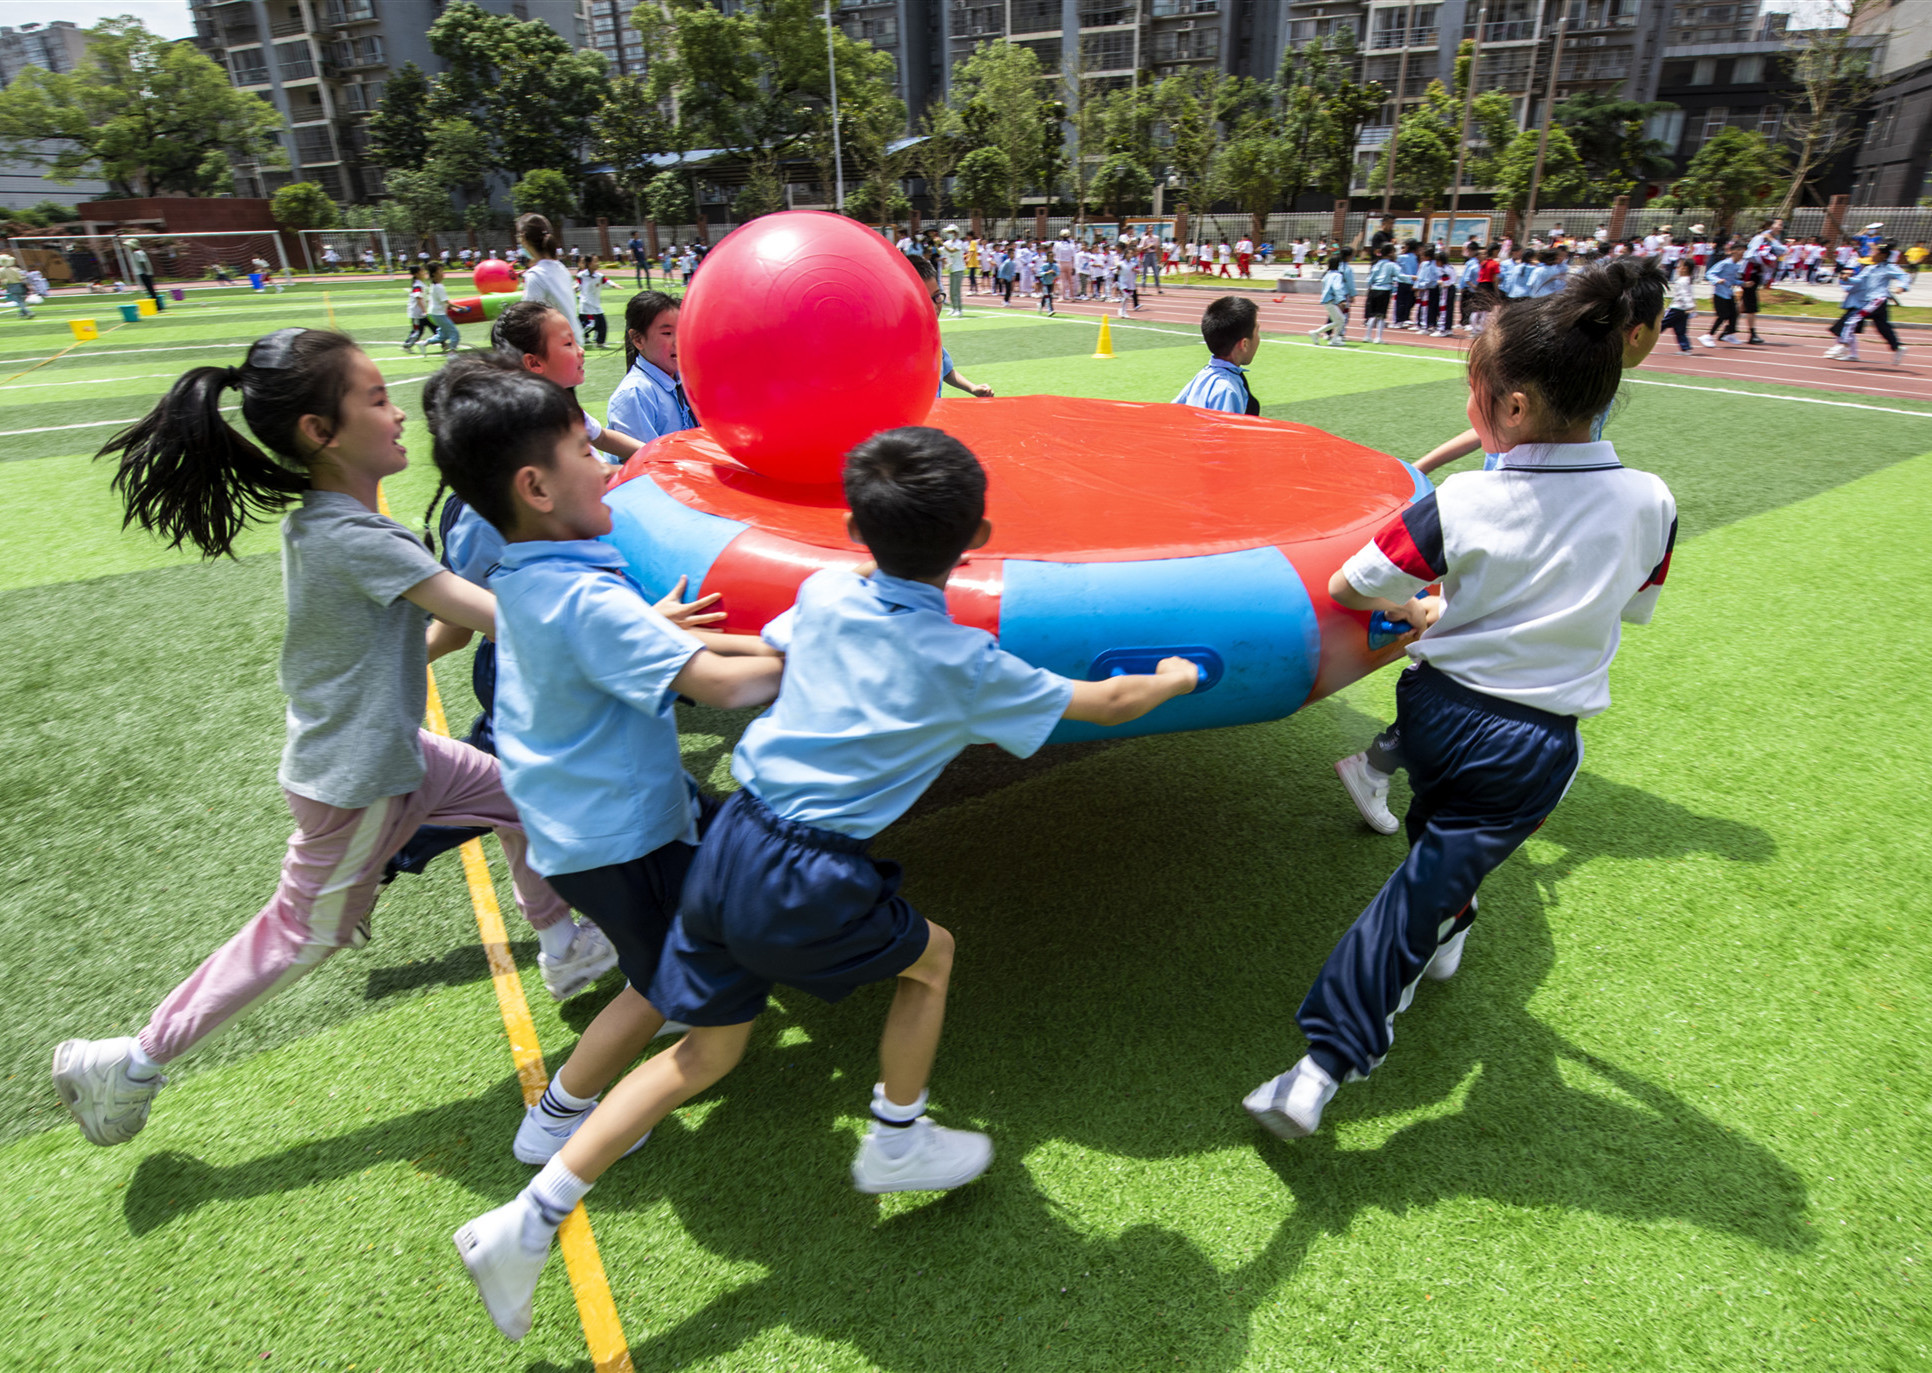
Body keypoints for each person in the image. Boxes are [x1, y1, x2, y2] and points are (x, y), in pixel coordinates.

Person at [452, 425, 1198, 1341]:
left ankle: (524, 1220)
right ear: (979, 537)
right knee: (933, 959)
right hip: (806, 866)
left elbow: (775, 659)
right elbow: (1107, 702)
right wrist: (1174, 674)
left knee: (703, 1053)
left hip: (731, 837)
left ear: (853, 526)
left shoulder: (828, 588)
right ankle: (896, 1136)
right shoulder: (963, 662)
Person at [51, 328, 614, 1151]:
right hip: (360, 782)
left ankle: (564, 943)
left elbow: (394, 642)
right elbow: (501, 618)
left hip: (394, 754)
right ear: (321, 432)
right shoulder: (355, 538)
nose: (397, 414)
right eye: (378, 399)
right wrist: (638, 629)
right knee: (302, 934)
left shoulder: (330, 523)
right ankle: (131, 1061)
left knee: (525, 794)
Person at [1247, 263, 1677, 1141]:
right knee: (1430, 870)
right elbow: (1630, 604)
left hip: (1437, 715)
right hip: (1530, 742)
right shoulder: (1652, 502)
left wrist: (1425, 605)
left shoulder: (1465, 498)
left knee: (1431, 870)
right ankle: (1345, 1039)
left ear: (1512, 408)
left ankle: (1334, 1050)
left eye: (1474, 389)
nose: (1471, 404)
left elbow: (1354, 581)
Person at [418, 359, 782, 1173]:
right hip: (618, 842)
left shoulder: (534, 576)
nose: (610, 467)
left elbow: (663, 643)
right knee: (662, 983)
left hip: (592, 831)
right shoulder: (586, 601)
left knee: (702, 924)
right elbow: (720, 683)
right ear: (536, 488)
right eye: (586, 452)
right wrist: (832, 646)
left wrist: (747, 638)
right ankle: (557, 1116)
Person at [1335, 258, 1668, 834]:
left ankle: (1384, 769)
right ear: (1635, 332)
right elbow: (1354, 585)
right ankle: (1389, 776)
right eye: (1664, 323)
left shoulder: (1571, 384)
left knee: (1464, 655)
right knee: (1473, 653)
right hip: (1506, 526)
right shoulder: (1572, 391)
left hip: (1509, 526)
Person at [606, 290, 699, 444]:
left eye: (682, 330)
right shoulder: (635, 393)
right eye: (667, 333)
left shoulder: (686, 380)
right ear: (638, 339)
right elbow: (642, 461)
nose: (679, 341)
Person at [908, 256, 995, 398]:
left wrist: (972, 388)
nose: (934, 306)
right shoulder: (894, 341)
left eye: (936, 296)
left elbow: (946, 370)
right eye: (923, 298)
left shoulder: (931, 335)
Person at [1824, 243, 1909, 365]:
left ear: (1883, 255)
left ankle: (1843, 345)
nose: (1872, 254)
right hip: (1870, 301)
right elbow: (1859, 280)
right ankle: (1898, 347)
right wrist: (1847, 279)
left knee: (1852, 320)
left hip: (1877, 300)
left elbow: (1904, 276)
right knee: (1883, 328)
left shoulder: (1889, 267)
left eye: (1875, 252)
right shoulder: (1870, 268)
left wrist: (1901, 287)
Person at [1176, 295, 1261, 411]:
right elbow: (1225, 428)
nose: (1259, 338)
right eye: (1257, 331)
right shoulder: (1226, 389)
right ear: (1244, 344)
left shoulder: (1203, 376)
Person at [513, 214, 581, 346]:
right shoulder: (560, 268)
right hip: (573, 341)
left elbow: (529, 320)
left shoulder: (536, 275)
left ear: (523, 238)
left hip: (555, 347)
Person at [1700, 243, 1746, 347]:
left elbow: (1732, 280)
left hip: (1729, 293)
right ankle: (1708, 336)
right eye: (1741, 252)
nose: (1742, 255)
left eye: (1744, 253)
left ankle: (1730, 334)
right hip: (1720, 294)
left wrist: (1743, 283)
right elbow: (1709, 273)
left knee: (1734, 314)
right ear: (1734, 251)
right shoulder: (1724, 263)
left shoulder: (1736, 265)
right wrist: (1717, 280)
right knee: (1723, 315)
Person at [1310, 251, 1356, 347]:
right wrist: (1341, 300)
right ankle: (1317, 333)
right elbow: (1337, 288)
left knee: (1339, 320)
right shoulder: (1337, 275)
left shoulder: (1328, 274)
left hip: (1327, 300)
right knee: (1341, 320)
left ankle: (1333, 338)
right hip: (1332, 301)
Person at [576, 255, 614, 349]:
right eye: (595, 261)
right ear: (589, 263)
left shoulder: (599, 276)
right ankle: (578, 337)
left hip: (595, 304)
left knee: (600, 324)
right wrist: (574, 288)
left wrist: (615, 285)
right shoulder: (581, 275)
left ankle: (597, 341)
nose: (597, 263)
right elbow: (578, 285)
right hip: (586, 304)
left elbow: (606, 281)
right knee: (592, 323)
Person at [1363, 245, 1398, 344]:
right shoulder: (1392, 265)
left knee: (1372, 314)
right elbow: (1398, 277)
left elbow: (1370, 279)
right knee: (1381, 315)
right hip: (1385, 290)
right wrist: (1411, 279)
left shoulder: (1376, 264)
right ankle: (1378, 337)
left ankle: (1367, 336)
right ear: (1390, 253)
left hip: (1374, 290)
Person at [1662, 255, 1696, 353]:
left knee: (1660, 325)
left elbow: (1685, 294)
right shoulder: (1687, 280)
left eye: (1679, 267)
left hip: (1677, 308)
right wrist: (1690, 307)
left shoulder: (1682, 281)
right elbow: (1689, 295)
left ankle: (1646, 343)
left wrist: (1690, 306)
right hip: (1683, 310)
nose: (1677, 269)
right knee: (1680, 329)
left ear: (1685, 269)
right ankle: (1685, 348)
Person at [424, 263, 461, 354]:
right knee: (454, 332)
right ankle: (452, 351)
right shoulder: (439, 287)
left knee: (443, 334)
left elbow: (440, 301)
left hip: (435, 313)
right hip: (439, 314)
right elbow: (446, 302)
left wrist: (454, 309)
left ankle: (425, 343)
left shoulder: (434, 286)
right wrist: (462, 308)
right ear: (434, 274)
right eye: (440, 271)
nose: (442, 273)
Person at [398, 265, 430, 351]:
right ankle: (407, 345)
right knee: (418, 332)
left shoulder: (422, 284)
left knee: (436, 328)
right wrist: (425, 311)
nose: (424, 273)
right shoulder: (417, 285)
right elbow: (418, 298)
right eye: (422, 271)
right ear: (416, 274)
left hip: (425, 312)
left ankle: (444, 344)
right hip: (418, 313)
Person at [941, 227, 967, 318]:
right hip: (951, 269)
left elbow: (951, 250)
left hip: (958, 269)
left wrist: (942, 244)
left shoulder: (959, 243)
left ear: (955, 233)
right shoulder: (947, 243)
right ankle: (953, 307)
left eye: (950, 232)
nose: (949, 233)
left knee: (956, 290)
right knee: (951, 290)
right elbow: (942, 251)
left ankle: (959, 309)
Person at [0, 253, 31, 319]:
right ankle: (22, 313)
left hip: (12, 286)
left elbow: (1, 279)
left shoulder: (2, 270)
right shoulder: (16, 269)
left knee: (18, 300)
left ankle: (27, 312)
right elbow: (21, 278)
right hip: (20, 285)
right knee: (21, 300)